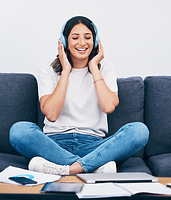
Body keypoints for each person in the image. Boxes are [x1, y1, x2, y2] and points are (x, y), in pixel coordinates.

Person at [9, 16, 149, 175]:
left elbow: (108, 106)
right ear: (64, 42)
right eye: (75, 38)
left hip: (94, 146)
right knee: (19, 130)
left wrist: (94, 67)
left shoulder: (105, 68)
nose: (82, 42)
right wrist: (66, 71)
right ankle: (93, 167)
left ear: (95, 41)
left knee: (139, 131)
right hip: (54, 145)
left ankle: (68, 169)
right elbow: (52, 114)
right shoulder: (48, 69)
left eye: (88, 37)